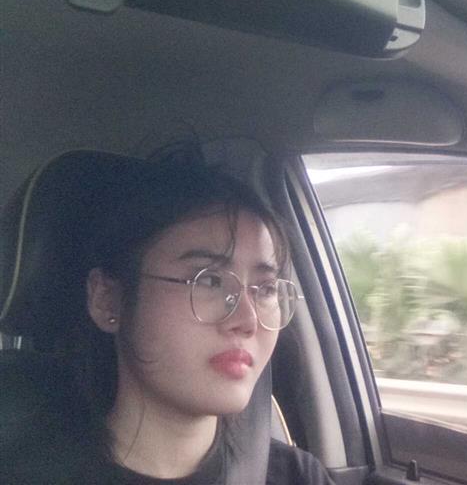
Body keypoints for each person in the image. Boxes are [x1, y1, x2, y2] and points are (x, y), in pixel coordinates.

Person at [2, 148, 334, 485]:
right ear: (108, 300)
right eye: (209, 280)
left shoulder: (298, 476)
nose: (248, 320)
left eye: (265, 289)